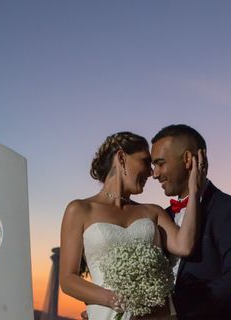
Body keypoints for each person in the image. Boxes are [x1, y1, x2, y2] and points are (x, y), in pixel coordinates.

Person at [60, 131, 206, 320]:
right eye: (146, 162)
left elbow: (184, 246)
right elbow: (67, 280)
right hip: (108, 314)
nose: (152, 173)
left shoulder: (153, 212)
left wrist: (194, 189)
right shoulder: (79, 209)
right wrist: (111, 299)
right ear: (121, 158)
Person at [151, 124, 231, 320]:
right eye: (153, 165)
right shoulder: (161, 217)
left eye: (160, 163)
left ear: (188, 159)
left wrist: (173, 308)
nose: (155, 173)